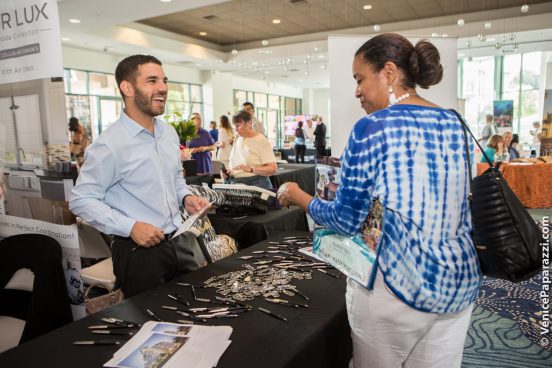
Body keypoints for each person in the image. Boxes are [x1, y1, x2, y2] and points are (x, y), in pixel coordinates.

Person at [277, 33, 481, 368]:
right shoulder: (456, 123)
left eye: (359, 79)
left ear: (388, 73)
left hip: (395, 287)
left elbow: (345, 219)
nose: (356, 90)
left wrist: (300, 197)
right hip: (457, 283)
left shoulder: (371, 128)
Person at [69, 55, 209, 298]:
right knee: (150, 326)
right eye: (152, 81)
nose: (163, 88)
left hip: (179, 241)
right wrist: (131, 227)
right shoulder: (109, 145)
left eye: (164, 81)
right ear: (127, 87)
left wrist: (186, 197)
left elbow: (175, 179)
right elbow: (81, 200)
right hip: (138, 254)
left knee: (193, 311)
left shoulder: (168, 133)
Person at [222, 110, 276, 189]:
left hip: (255, 184)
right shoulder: (237, 138)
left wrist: (251, 169)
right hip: (235, 183)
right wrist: (227, 173)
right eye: (235, 126)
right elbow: (233, 162)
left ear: (249, 124)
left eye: (238, 126)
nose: (236, 130)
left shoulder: (261, 140)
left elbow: (272, 169)